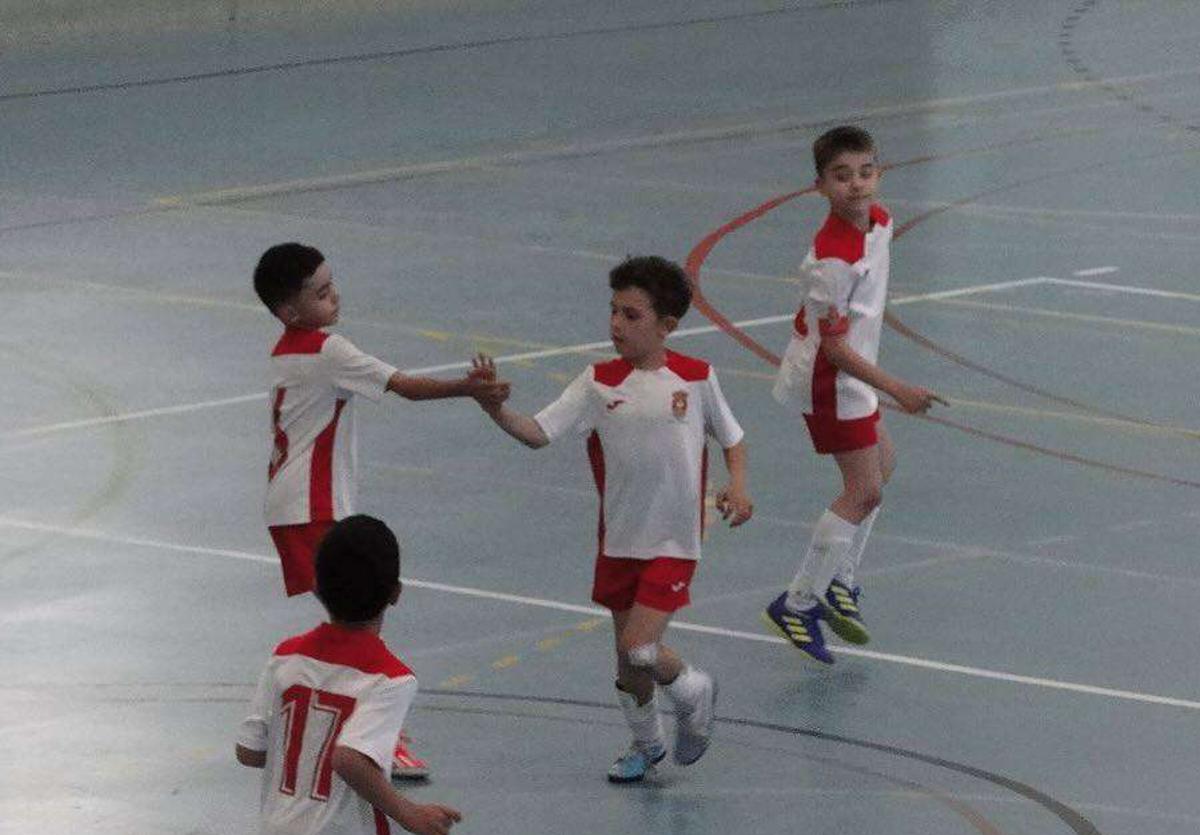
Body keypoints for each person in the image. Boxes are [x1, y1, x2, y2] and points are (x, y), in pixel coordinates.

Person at [473, 255, 753, 783]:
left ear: (666, 325)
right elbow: (537, 432)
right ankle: (647, 745)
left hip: (675, 539)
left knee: (641, 647)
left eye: (631, 315)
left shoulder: (695, 378)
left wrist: (738, 486)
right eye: (613, 312)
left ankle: (695, 689)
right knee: (628, 666)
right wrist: (494, 411)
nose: (616, 324)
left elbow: (732, 437)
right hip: (620, 539)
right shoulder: (597, 383)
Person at [253, 242, 509, 778]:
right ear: (290, 312)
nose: (334, 296)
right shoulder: (328, 351)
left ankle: (361, 724)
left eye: (332, 284)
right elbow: (407, 388)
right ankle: (378, 735)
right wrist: (468, 389)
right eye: (321, 293)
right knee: (359, 622)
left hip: (293, 505)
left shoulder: (284, 352)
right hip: (312, 506)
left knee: (350, 621)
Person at [765, 126, 946, 664]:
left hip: (853, 375)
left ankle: (839, 579)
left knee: (883, 465)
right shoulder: (830, 261)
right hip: (829, 380)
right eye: (841, 177)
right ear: (819, 186)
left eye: (865, 172)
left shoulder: (881, 223)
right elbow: (835, 349)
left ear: (879, 174)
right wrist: (897, 389)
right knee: (863, 491)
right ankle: (797, 604)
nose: (857, 185)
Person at [235, 514, 462, 835]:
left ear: (317, 586)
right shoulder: (389, 678)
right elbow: (348, 758)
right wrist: (410, 813)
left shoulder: (286, 656)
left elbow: (249, 751)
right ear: (395, 593)